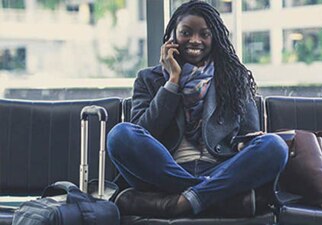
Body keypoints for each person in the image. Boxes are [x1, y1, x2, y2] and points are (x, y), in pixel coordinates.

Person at [107, 0, 288, 218]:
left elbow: (246, 137)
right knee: (120, 134)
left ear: (215, 38)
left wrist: (244, 143)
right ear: (172, 36)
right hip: (163, 171)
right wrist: (172, 82)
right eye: (186, 32)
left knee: (275, 146)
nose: (195, 40)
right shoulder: (148, 79)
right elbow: (143, 133)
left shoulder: (234, 78)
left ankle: (177, 202)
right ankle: (214, 197)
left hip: (219, 169)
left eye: (204, 34)